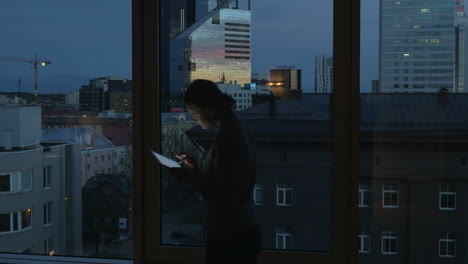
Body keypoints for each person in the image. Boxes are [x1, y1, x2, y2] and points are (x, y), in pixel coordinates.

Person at [170, 79, 261, 264]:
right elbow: (227, 182)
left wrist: (189, 178)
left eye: (194, 113)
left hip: (230, 235)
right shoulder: (241, 128)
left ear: (210, 110)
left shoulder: (228, 136)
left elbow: (226, 196)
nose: (193, 118)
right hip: (243, 228)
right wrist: (196, 170)